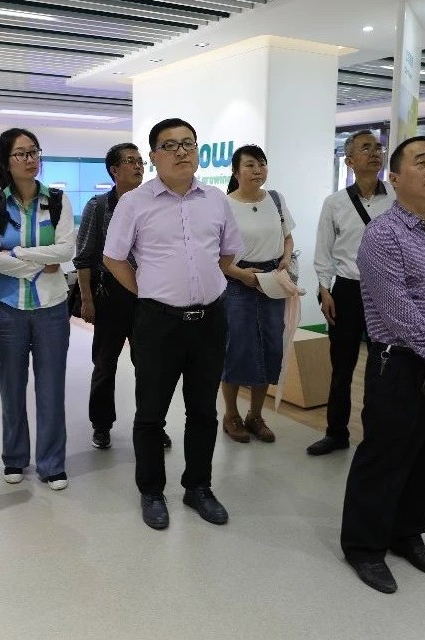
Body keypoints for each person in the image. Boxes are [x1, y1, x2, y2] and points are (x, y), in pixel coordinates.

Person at [339, 136, 425, 594]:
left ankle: (407, 533)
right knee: (385, 455)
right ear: (394, 178)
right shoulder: (382, 234)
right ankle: (364, 546)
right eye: (421, 161)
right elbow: (394, 305)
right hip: (398, 362)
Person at [103, 117, 244, 530]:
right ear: (153, 156)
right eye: (170, 145)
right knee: (151, 413)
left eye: (188, 143)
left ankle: (198, 487)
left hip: (210, 320)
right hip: (158, 322)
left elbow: (228, 253)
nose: (181, 151)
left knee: (203, 411)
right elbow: (113, 258)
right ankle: (151, 491)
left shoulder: (216, 200)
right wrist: (147, 290)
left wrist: (203, 283)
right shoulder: (135, 203)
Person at [0, 128, 75, 491]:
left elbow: (66, 250)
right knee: (11, 389)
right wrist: (39, 263)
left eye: (34, 151)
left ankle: (52, 463)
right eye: (21, 153)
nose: (30, 159)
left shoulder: (58, 200)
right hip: (7, 310)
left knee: (52, 389)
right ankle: (15, 457)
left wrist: (18, 254)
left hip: (52, 308)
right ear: (6, 161)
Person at [73, 143, 170, 451]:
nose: (138, 166)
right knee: (105, 364)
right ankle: (101, 425)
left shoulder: (154, 203)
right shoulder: (99, 206)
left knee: (150, 365)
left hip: (148, 295)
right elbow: (84, 256)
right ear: (114, 170)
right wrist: (87, 299)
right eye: (130, 161)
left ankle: (152, 425)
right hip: (110, 295)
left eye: (140, 161)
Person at [307, 130, 396, 456]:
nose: (374, 153)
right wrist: (324, 289)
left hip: (386, 292)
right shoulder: (335, 203)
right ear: (349, 161)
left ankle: (376, 438)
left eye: (378, 148)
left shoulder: (397, 198)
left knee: (382, 369)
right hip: (346, 290)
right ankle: (336, 433)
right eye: (365, 148)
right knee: (341, 368)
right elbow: (324, 250)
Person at [219, 145, 295, 444]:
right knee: (236, 348)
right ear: (236, 172)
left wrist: (285, 259)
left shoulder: (275, 199)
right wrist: (242, 275)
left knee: (269, 347)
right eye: (250, 165)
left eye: (262, 164)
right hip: (238, 282)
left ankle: (255, 415)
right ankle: (231, 415)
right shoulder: (224, 205)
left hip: (272, 281)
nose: (257, 170)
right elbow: (215, 254)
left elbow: (287, 237)